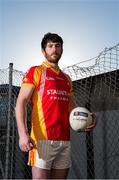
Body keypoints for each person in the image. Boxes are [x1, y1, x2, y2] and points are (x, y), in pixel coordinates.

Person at [15, 32, 96, 179]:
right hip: (43, 140)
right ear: (43, 50)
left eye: (57, 46)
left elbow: (72, 108)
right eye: (50, 46)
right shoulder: (36, 71)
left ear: (62, 49)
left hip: (64, 140)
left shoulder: (66, 78)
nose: (54, 49)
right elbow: (21, 102)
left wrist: (85, 119)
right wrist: (22, 134)